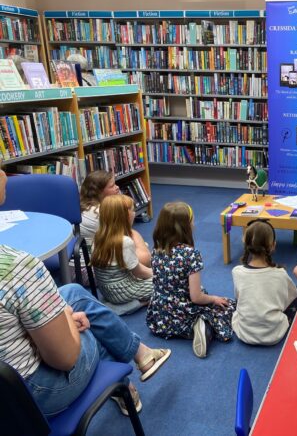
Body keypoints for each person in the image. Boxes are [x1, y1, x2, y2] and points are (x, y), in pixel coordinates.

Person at [0, 168, 171, 417]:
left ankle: (139, 357)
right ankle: (123, 381)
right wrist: (69, 323)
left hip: (9, 376)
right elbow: (65, 358)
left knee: (73, 292)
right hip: (30, 395)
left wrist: (62, 316)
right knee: (93, 327)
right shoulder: (18, 267)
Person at [146, 202, 236, 358]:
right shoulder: (190, 254)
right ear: (186, 226)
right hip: (184, 312)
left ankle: (189, 330)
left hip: (159, 315)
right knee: (228, 306)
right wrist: (213, 299)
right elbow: (196, 297)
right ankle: (203, 326)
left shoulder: (156, 249)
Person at [232, 219, 297, 345]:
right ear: (273, 245)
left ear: (246, 244)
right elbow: (290, 298)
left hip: (244, 333)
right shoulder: (280, 274)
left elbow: (238, 299)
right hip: (274, 334)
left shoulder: (237, 271)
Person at [91, 194, 153, 305]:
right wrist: (159, 274)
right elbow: (139, 272)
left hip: (106, 291)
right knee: (167, 283)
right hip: (123, 292)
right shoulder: (125, 242)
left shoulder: (98, 236)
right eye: (133, 210)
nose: (134, 213)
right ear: (126, 216)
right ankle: (133, 305)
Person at [80, 170, 150, 266]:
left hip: (89, 255)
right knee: (145, 254)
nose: (117, 187)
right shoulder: (103, 213)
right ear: (99, 191)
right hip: (96, 262)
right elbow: (123, 238)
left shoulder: (86, 206)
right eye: (112, 186)